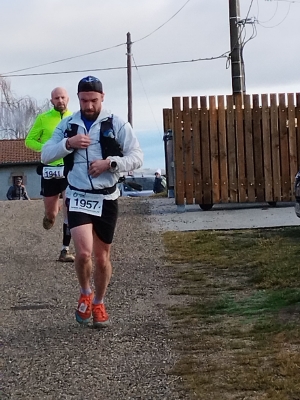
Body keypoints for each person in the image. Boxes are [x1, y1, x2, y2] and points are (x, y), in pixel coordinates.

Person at [41, 76, 143, 328]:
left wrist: (111, 163)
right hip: (77, 195)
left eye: (93, 100)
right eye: (84, 100)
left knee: (101, 258)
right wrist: (68, 144)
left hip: (106, 197)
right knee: (83, 252)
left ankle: (99, 301)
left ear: (102, 97)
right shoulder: (68, 125)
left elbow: (137, 156)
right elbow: (45, 154)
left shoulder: (117, 123)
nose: (88, 106)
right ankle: (85, 292)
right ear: (78, 99)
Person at [25, 87, 75, 263]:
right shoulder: (43, 118)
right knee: (51, 213)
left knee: (70, 209)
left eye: (63, 97)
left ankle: (65, 249)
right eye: (56, 98)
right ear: (51, 100)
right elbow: (29, 140)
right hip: (49, 169)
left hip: (68, 169)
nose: (60, 100)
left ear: (68, 99)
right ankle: (51, 213)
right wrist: (47, 149)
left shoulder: (74, 118)